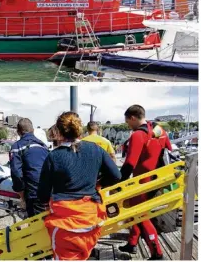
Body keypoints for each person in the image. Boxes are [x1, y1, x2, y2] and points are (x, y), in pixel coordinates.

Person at [37, 112, 121, 261]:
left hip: (66, 225)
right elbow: (116, 175)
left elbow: (42, 194)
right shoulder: (96, 149)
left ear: (59, 131)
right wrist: (99, 183)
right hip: (92, 220)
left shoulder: (54, 156)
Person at [118, 105, 172, 260]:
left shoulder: (137, 135)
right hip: (158, 179)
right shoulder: (159, 131)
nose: (128, 125)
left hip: (143, 182)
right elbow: (169, 150)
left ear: (133, 118)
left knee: (140, 215)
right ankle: (133, 242)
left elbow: (129, 163)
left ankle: (157, 253)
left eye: (128, 121)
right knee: (132, 208)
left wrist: (119, 185)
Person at [10, 118, 49, 217]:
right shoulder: (44, 146)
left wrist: (21, 196)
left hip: (34, 193)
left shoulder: (17, 147)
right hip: (49, 191)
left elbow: (16, 174)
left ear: (18, 132)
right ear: (33, 130)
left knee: (35, 224)